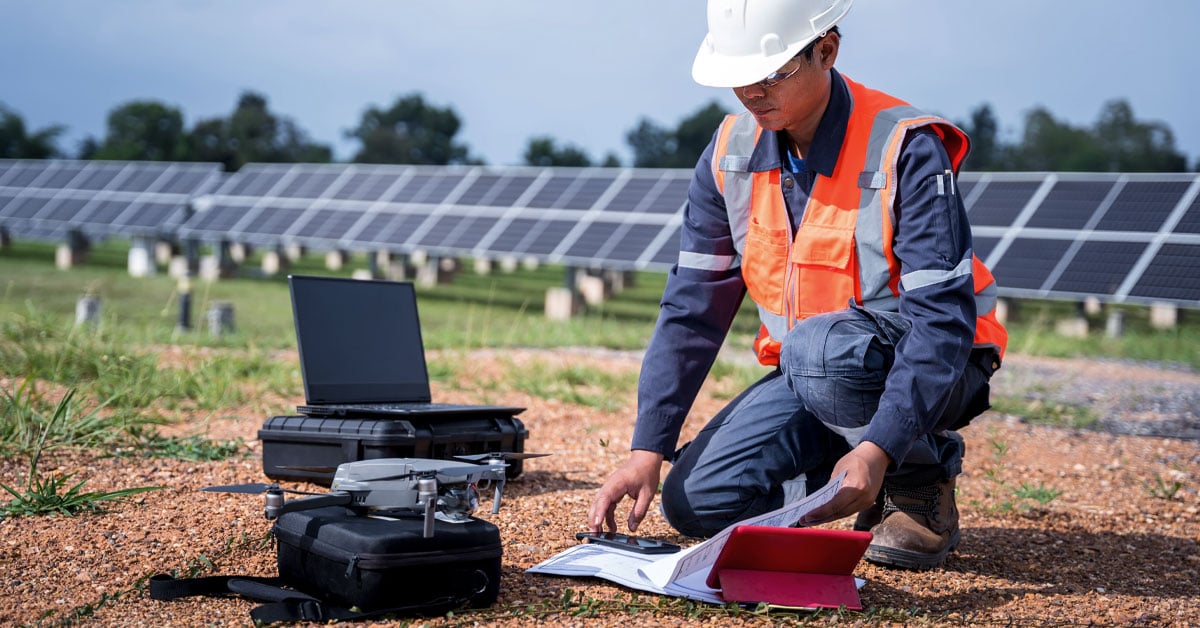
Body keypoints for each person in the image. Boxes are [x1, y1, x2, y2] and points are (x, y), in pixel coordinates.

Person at [587, 0, 1007, 570]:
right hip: (815, 373)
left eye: (772, 74)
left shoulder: (905, 147)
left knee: (818, 349)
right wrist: (647, 450)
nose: (752, 92)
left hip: (939, 365)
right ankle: (853, 477)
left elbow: (942, 321)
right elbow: (692, 310)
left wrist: (880, 446)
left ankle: (916, 474)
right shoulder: (730, 153)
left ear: (826, 51)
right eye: (739, 78)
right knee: (694, 502)